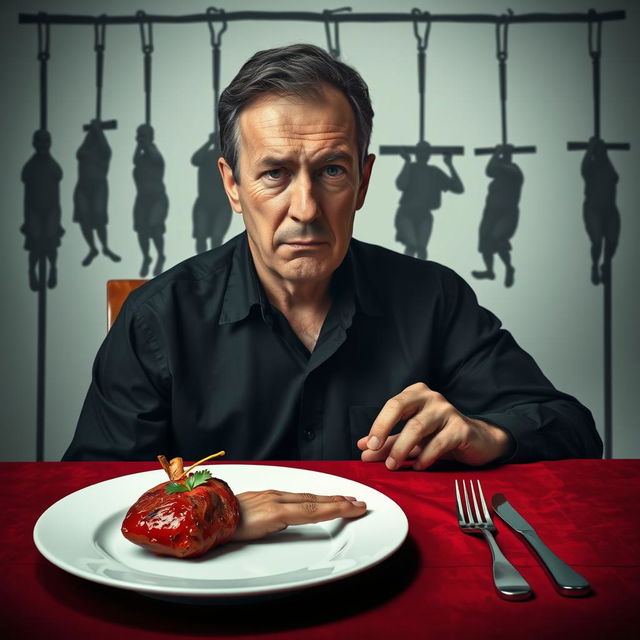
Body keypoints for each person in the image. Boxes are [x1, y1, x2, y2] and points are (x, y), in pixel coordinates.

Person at [63, 44, 601, 531]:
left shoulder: (435, 299)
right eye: (274, 173)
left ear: (363, 182)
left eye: (332, 171)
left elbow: (574, 432)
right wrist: (218, 515)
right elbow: (83, 501)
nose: (305, 209)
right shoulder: (155, 319)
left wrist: (488, 436)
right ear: (232, 185)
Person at [394, 141, 463, 260]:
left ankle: (421, 273)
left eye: (426, 152)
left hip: (424, 215)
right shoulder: (412, 168)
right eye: (420, 151)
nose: (423, 155)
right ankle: (406, 270)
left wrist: (449, 165)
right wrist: (407, 162)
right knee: (412, 245)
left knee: (421, 248)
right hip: (406, 213)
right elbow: (401, 184)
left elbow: (458, 188)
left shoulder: (434, 172)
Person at [472, 145, 523, 287]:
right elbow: (489, 170)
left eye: (506, 155)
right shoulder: (497, 176)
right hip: (490, 213)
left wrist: (499, 156)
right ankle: (489, 270)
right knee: (485, 239)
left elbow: (497, 169)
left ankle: (509, 267)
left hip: (507, 213)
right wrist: (496, 154)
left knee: (497, 237)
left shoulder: (515, 171)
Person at [20, 129, 64, 290]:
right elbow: (25, 177)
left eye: (46, 141)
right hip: (34, 210)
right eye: (40, 141)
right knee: (36, 243)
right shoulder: (30, 167)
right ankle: (32, 271)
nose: (43, 145)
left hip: (51, 209)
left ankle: (52, 268)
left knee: (51, 242)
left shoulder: (52, 166)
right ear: (34, 143)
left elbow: (58, 174)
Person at [73, 120, 121, 266]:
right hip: (82, 187)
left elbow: (107, 150)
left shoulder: (104, 152)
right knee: (84, 218)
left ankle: (105, 247)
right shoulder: (84, 151)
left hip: (99, 186)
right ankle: (93, 248)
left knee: (99, 217)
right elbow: (80, 153)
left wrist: (98, 129)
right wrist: (94, 129)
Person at [581, 136, 620, 285]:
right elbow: (583, 167)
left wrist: (603, 151)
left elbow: (615, 177)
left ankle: (606, 264)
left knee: (612, 241)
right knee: (597, 241)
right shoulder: (590, 168)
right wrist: (591, 148)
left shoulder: (608, 168)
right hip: (593, 209)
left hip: (610, 210)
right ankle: (595, 265)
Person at [133, 124, 169, 277]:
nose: (140, 139)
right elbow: (135, 161)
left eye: (143, 135)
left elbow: (155, 157)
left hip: (157, 199)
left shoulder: (155, 155)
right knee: (142, 230)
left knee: (154, 226)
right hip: (142, 200)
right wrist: (140, 144)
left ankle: (160, 255)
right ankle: (146, 257)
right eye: (139, 135)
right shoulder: (140, 158)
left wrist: (146, 143)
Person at [191, 132, 232, 253]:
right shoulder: (206, 156)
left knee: (217, 237)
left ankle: (214, 263)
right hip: (204, 202)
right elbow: (195, 159)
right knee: (200, 236)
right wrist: (209, 142)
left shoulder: (228, 160)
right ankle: (201, 262)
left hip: (222, 204)